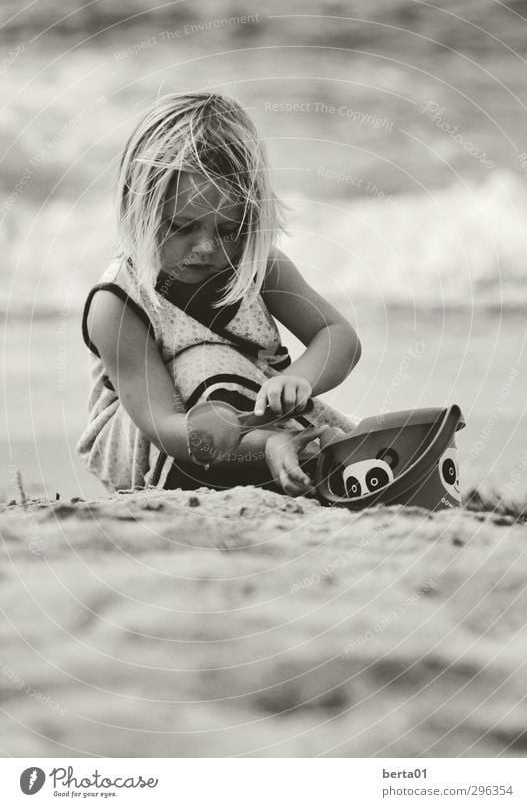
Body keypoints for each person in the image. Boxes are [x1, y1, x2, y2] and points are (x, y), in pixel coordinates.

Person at [76, 91, 361, 497]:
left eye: (228, 229)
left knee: (348, 444)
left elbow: (338, 334)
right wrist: (263, 446)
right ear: (137, 208)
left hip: (255, 413)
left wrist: (300, 379)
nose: (208, 248)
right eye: (181, 226)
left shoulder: (255, 262)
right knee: (205, 363)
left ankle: (296, 460)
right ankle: (270, 461)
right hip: (160, 441)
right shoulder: (117, 305)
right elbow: (163, 425)